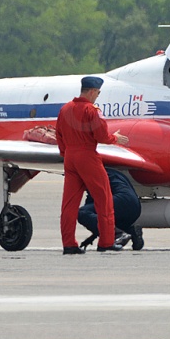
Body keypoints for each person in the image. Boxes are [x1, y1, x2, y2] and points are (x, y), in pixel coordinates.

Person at [56, 76, 129, 254]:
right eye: (97, 92)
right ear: (91, 91)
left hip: (70, 157)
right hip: (87, 156)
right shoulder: (92, 110)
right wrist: (115, 138)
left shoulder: (65, 109)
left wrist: (67, 154)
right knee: (104, 199)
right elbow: (101, 136)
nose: (97, 96)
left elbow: (58, 135)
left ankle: (69, 244)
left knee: (69, 203)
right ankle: (106, 242)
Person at [78, 168, 144, 251]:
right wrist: (93, 236)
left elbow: (90, 211)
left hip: (120, 201)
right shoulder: (112, 172)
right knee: (109, 218)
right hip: (135, 207)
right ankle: (132, 232)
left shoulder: (92, 174)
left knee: (82, 213)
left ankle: (117, 234)